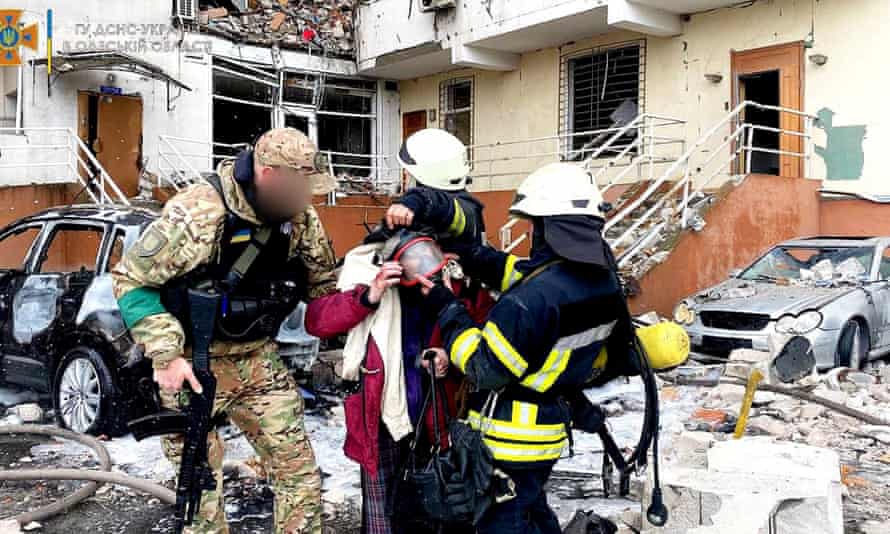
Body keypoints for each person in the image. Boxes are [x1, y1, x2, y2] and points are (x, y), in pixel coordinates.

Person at [112, 128, 387, 534]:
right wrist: (165, 355)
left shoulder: (299, 218)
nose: (304, 197)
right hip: (192, 364)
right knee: (203, 493)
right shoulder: (198, 213)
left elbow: (324, 293)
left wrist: (370, 288)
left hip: (258, 360)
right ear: (268, 173)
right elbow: (131, 282)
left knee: (300, 477)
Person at [414, 162, 631, 534]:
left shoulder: (529, 302)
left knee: (505, 521)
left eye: (535, 226)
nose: (532, 234)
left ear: (550, 227)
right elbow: (527, 273)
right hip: (545, 433)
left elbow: (484, 367)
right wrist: (472, 255)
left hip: (510, 442)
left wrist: (448, 309)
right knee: (532, 508)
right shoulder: (601, 281)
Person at [305, 230, 493, 534]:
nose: (420, 269)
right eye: (410, 261)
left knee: (439, 506)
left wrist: (450, 355)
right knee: (383, 516)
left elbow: (486, 335)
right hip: (380, 418)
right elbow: (317, 321)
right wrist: (368, 295)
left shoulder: (458, 283)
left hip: (437, 416)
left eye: (426, 258)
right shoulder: (369, 276)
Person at [386, 128, 485, 251]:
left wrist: (416, 200)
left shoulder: (465, 210)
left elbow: (443, 205)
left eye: (408, 171)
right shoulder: (422, 212)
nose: (405, 174)